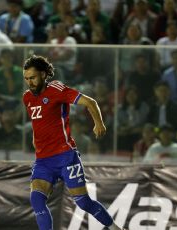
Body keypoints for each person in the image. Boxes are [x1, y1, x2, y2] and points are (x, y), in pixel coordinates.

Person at [22, 55, 123, 230]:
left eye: (33, 78)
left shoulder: (56, 90)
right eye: (26, 79)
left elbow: (90, 102)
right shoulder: (27, 98)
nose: (29, 82)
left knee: (83, 202)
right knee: (36, 199)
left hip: (65, 156)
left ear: (44, 74)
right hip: (43, 160)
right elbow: (38, 124)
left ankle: (115, 228)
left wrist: (99, 123)